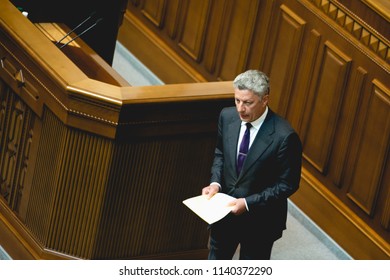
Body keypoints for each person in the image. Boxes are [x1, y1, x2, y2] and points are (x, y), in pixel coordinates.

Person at [202, 69, 302, 260]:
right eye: (237, 100)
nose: (240, 108)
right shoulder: (227, 116)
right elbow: (220, 154)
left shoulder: (285, 136)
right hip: (224, 214)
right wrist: (216, 183)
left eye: (248, 102)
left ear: (265, 100)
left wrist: (248, 203)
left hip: (260, 221)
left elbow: (287, 184)